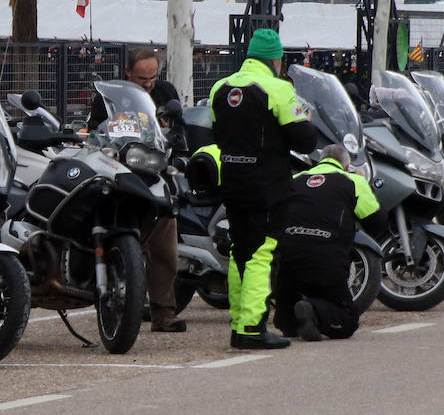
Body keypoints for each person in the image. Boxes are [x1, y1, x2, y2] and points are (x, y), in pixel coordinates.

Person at [210, 28, 318, 349]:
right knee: (261, 253)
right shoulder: (278, 88)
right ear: (276, 59)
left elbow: (217, 134)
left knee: (238, 250)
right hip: (267, 185)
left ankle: (238, 322)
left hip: (232, 180)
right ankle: (252, 329)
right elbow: (305, 140)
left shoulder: (221, 87)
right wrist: (305, 118)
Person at [86, 48, 186, 333]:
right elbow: (95, 131)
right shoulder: (107, 97)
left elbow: (180, 130)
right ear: (128, 72)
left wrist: (176, 144)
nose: (149, 83)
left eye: (153, 76)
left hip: (153, 172)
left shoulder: (166, 91)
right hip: (119, 171)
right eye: (143, 78)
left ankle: (164, 312)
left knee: (166, 227)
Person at [273, 144, 386, 341]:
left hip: (287, 261)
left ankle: (288, 320)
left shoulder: (297, 179)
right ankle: (313, 310)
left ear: (320, 160)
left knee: (289, 320)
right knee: (348, 321)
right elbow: (375, 223)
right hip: (326, 261)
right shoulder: (353, 181)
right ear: (347, 165)